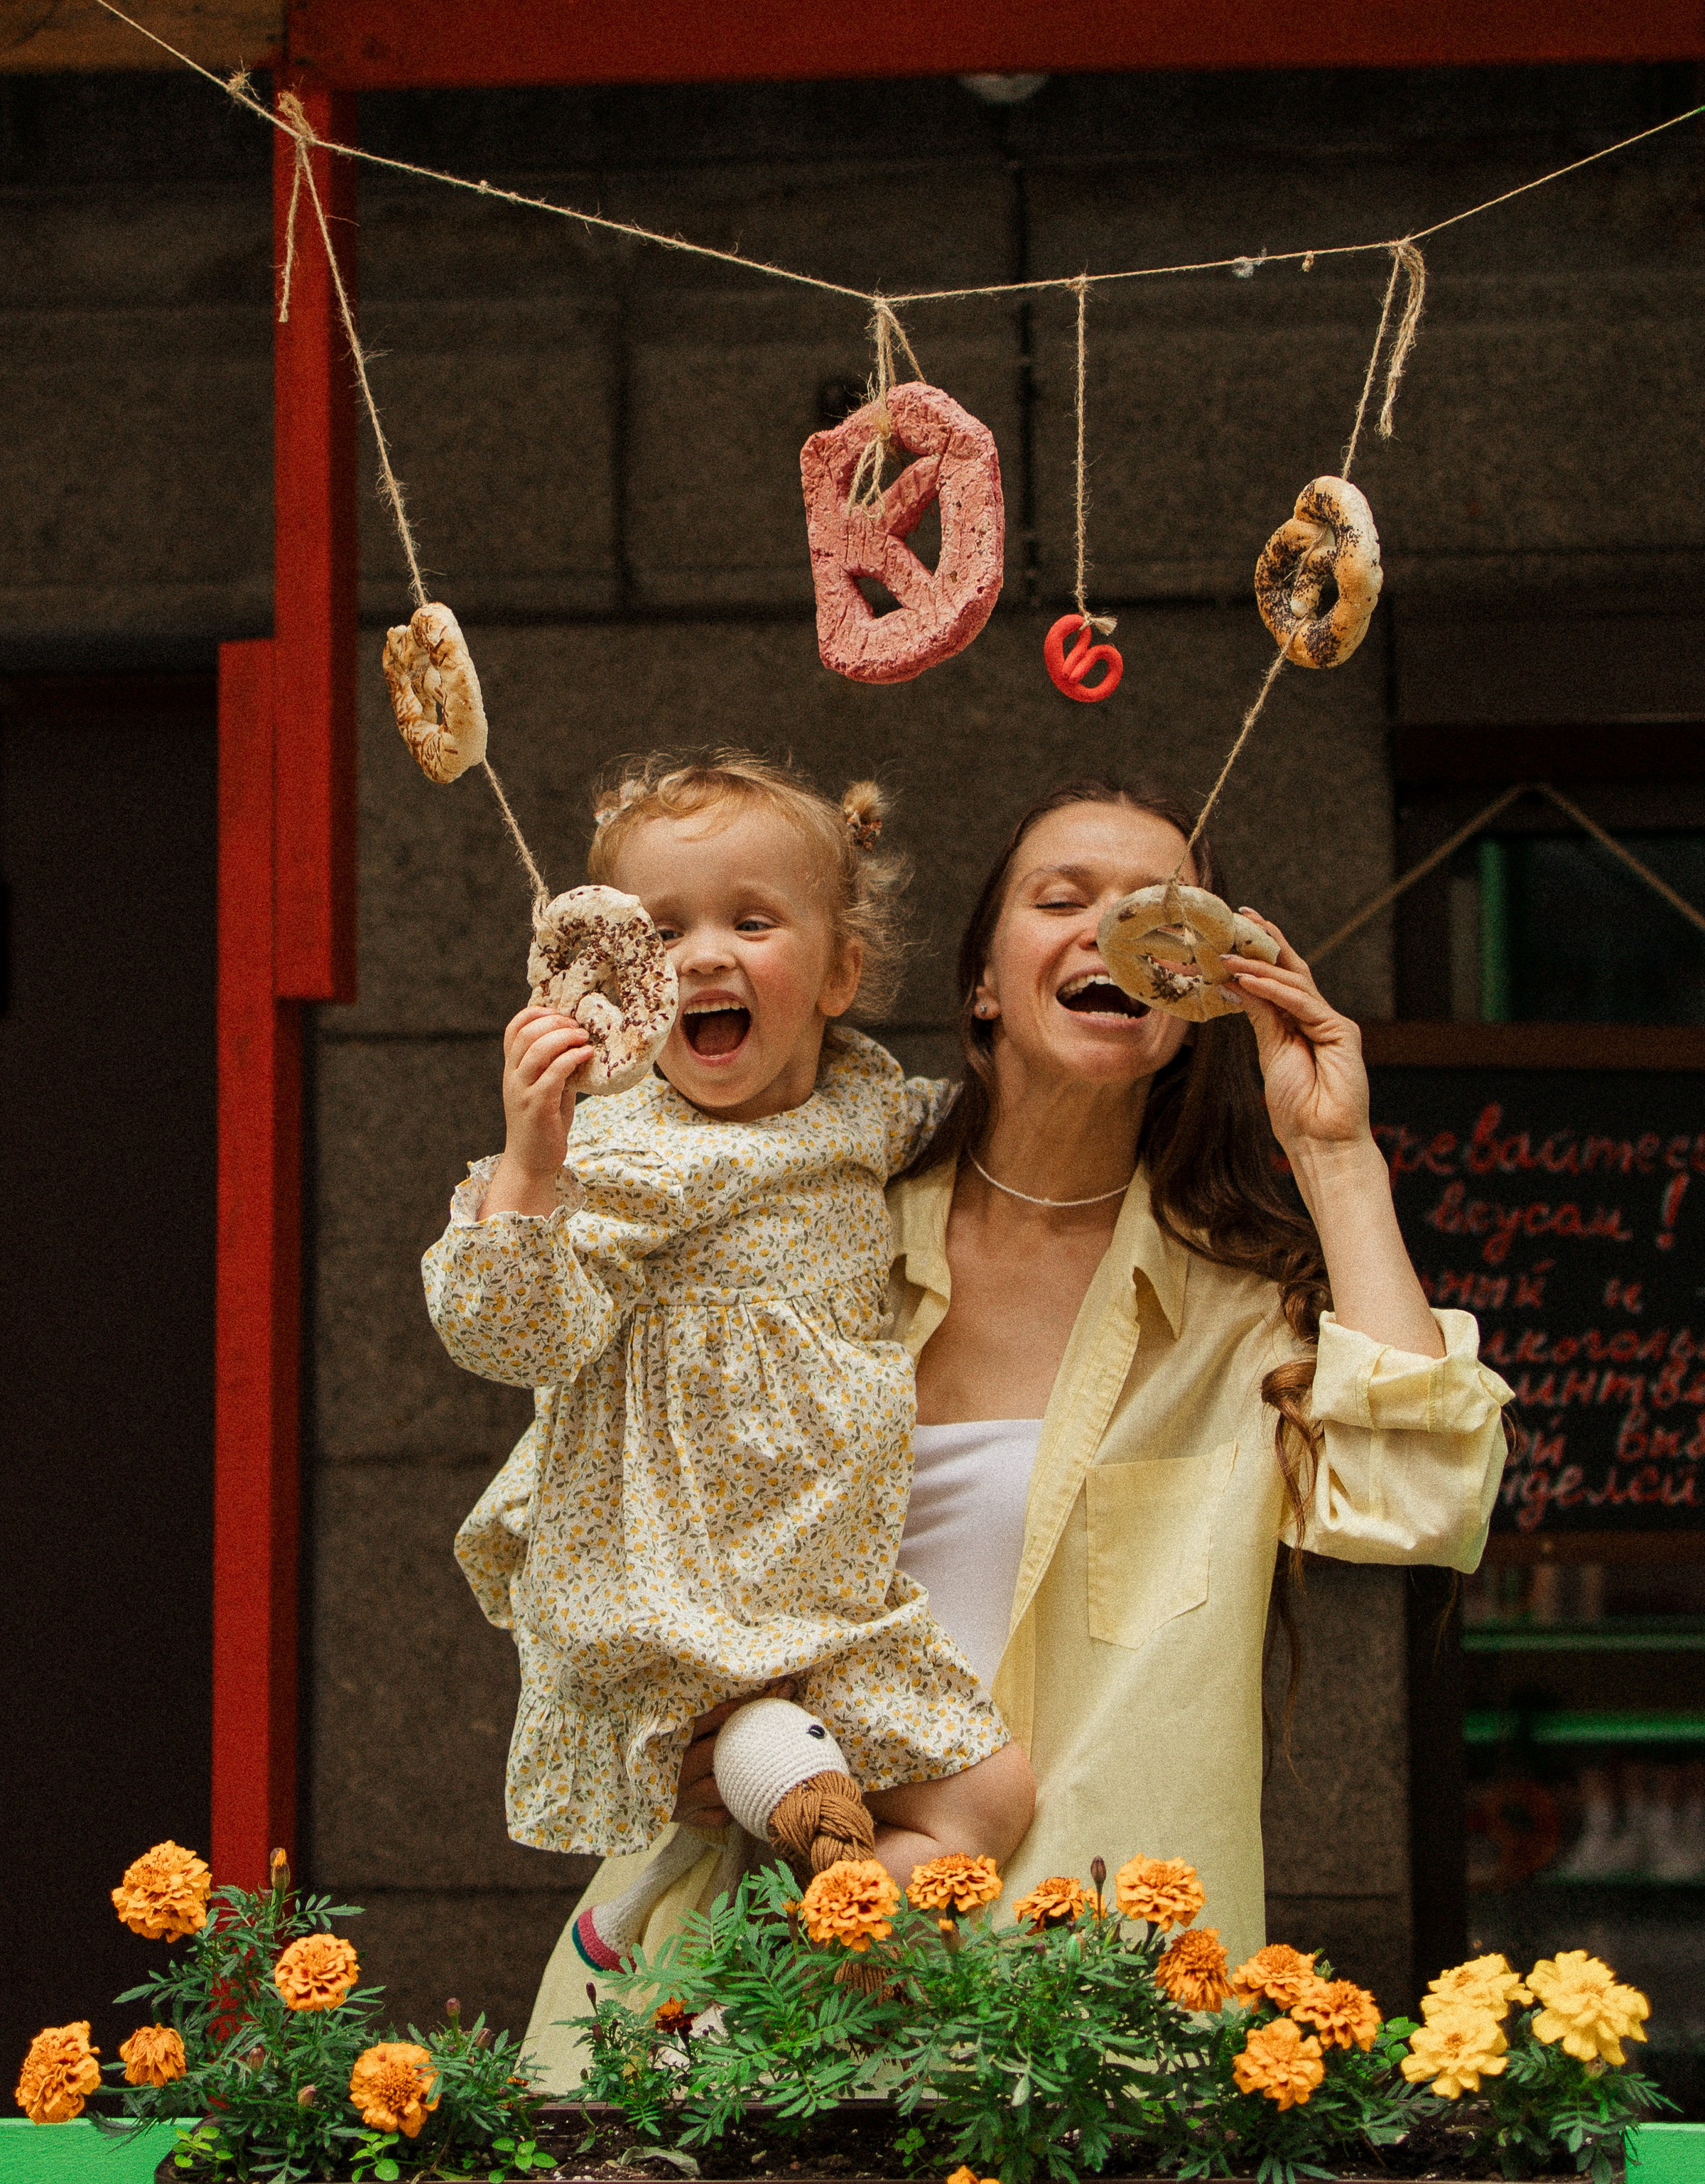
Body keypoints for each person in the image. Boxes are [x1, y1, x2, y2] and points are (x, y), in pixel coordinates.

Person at [522, 775, 1508, 2080]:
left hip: (1092, 2021)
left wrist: (1334, 1154)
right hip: (759, 1975)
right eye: (1064, 899)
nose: (1109, 930)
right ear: (984, 979)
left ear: (1195, 992)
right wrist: (679, 1738)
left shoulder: (1241, 1318)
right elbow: (598, 1508)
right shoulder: (804, 1235)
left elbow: (1422, 1505)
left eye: (1154, 910)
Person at [423, 752, 1033, 1977]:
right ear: (612, 987)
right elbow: (509, 1338)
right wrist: (527, 1168)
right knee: (782, 1763)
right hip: (672, 1560)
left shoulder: (876, 1114)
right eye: (661, 931)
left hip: (827, 1573)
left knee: (992, 1799)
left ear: (840, 974)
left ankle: (710, 1924)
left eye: (752, 923)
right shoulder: (617, 1151)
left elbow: (1022, 1140)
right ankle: (759, 1904)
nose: (704, 955)